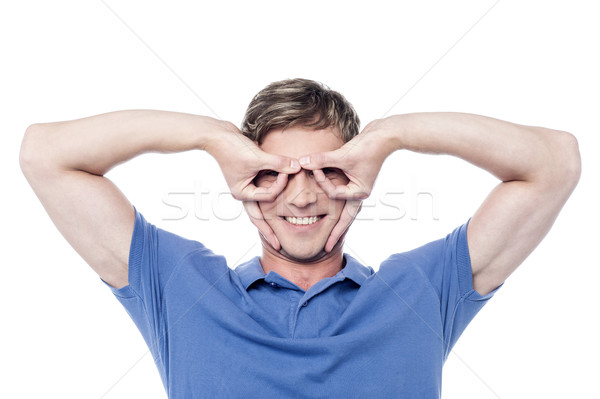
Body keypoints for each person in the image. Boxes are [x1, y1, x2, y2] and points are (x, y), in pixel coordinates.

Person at [19, 78, 580, 398]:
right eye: (277, 173)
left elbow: (555, 164)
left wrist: (394, 135)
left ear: (356, 182)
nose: (303, 197)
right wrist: (209, 138)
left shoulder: (422, 290)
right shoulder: (180, 287)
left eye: (326, 171)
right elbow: (45, 156)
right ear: (248, 180)